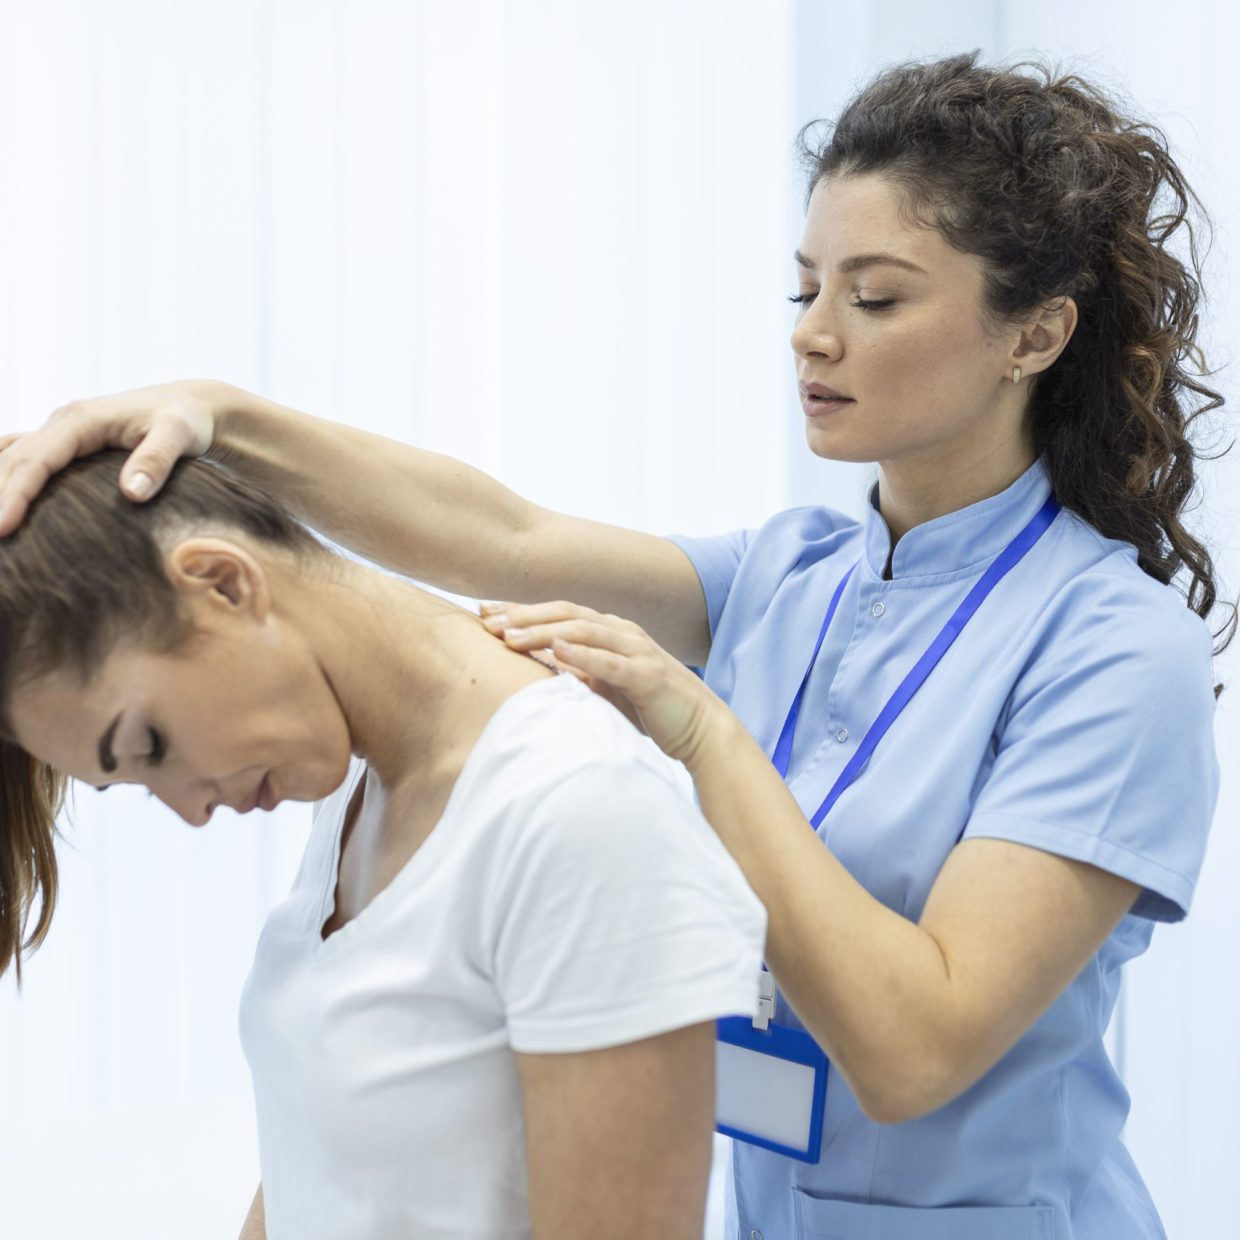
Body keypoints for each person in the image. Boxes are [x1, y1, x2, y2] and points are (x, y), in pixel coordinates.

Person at [1, 48, 1230, 1240]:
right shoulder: (791, 571)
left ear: (1034, 335)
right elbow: (502, 533)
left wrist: (698, 731)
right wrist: (213, 414)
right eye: (803, 289)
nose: (812, 333)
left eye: (875, 296)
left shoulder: (1116, 652)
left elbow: (916, 1048)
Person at [0, 450, 767, 1240]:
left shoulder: (575, 811)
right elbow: (326, 1169)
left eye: (152, 745)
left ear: (224, 584)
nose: (188, 811)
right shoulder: (353, 788)